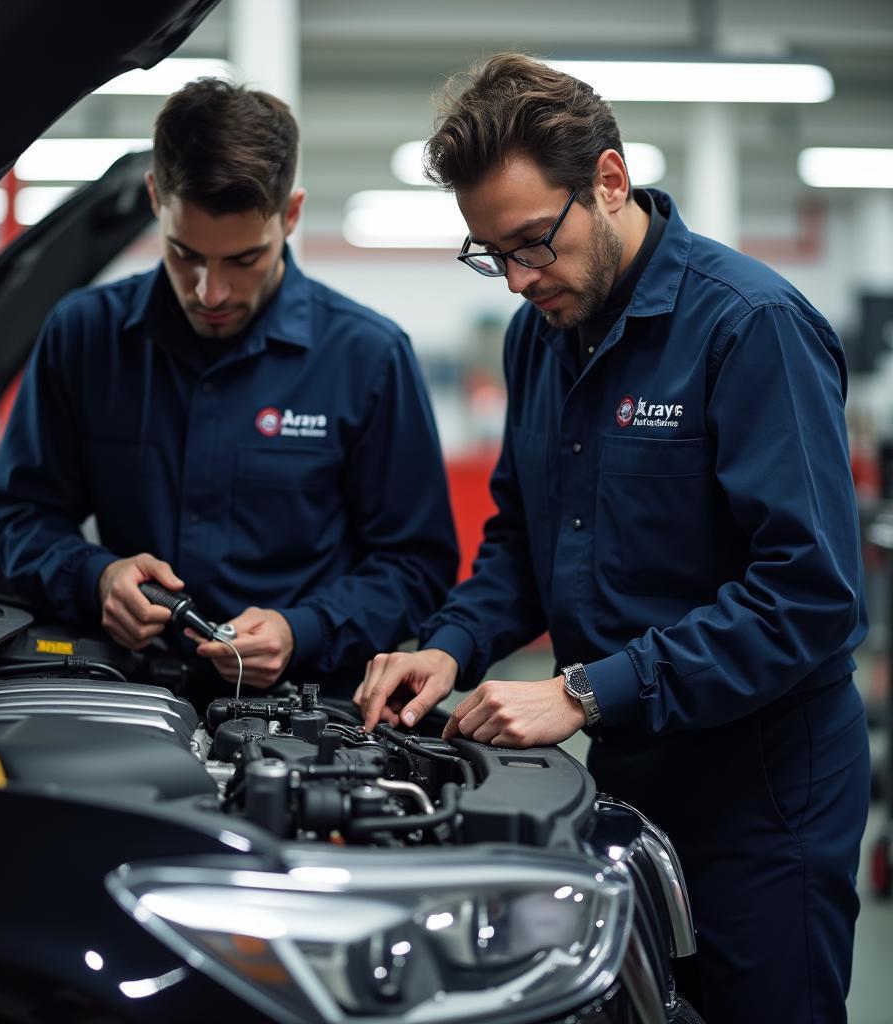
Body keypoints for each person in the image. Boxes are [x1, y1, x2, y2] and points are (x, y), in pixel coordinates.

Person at [355, 53, 869, 1024]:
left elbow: (808, 596)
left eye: (531, 243)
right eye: (489, 252)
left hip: (761, 793)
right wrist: (447, 646)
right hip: (628, 773)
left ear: (608, 181)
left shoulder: (747, 327)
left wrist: (585, 688)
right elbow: (524, 541)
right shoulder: (538, 335)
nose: (515, 278)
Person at [0, 77, 458, 695]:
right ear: (156, 199)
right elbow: (20, 516)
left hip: (306, 715)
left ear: (290, 216)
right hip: (130, 693)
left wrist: (302, 629)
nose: (210, 292)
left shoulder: (367, 357)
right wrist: (95, 577)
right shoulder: (85, 335)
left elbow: (416, 567)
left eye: (243, 260)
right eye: (184, 254)